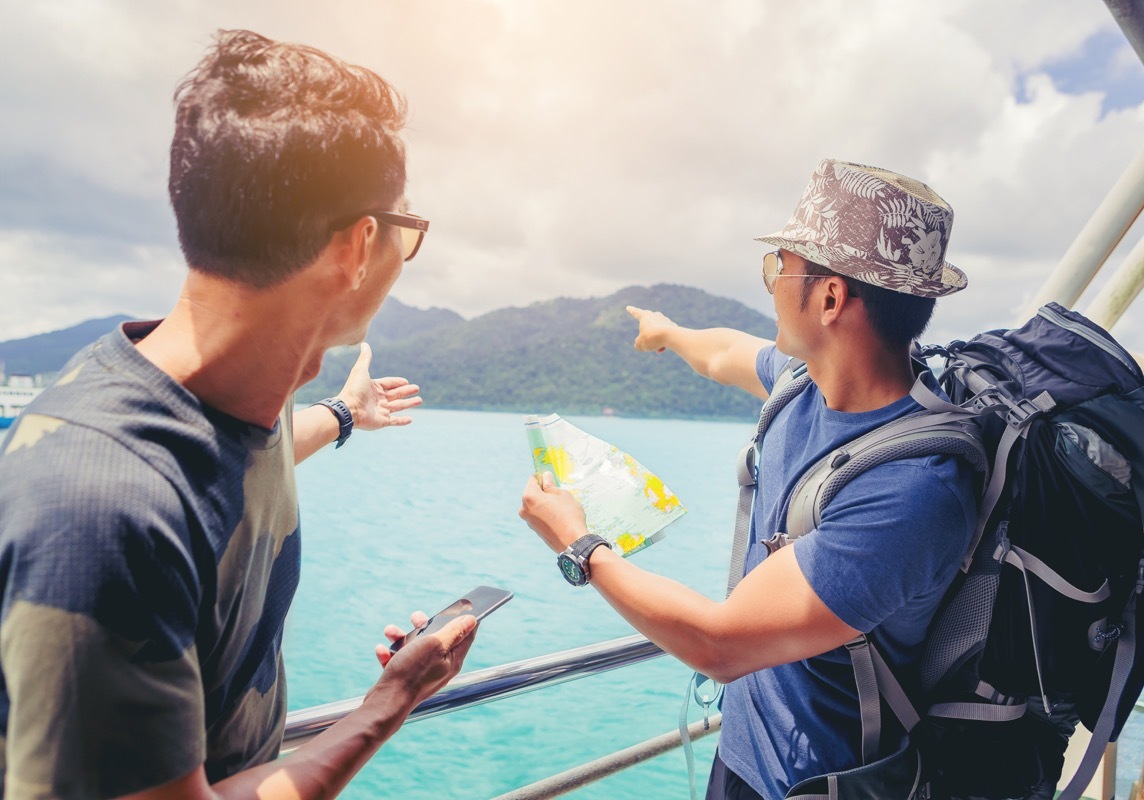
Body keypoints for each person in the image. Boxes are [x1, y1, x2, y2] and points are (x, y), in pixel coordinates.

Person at [0, 30, 476, 799]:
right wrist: (387, 706)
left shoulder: (230, 403)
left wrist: (344, 415)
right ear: (357, 247)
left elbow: (248, 457)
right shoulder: (97, 509)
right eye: (404, 227)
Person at [520, 159, 978, 799]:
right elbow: (725, 352)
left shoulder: (912, 490)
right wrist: (668, 332)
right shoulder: (805, 385)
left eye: (778, 270)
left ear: (829, 298)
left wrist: (579, 544)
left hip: (818, 785)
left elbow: (720, 645)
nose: (770, 289)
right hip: (746, 757)